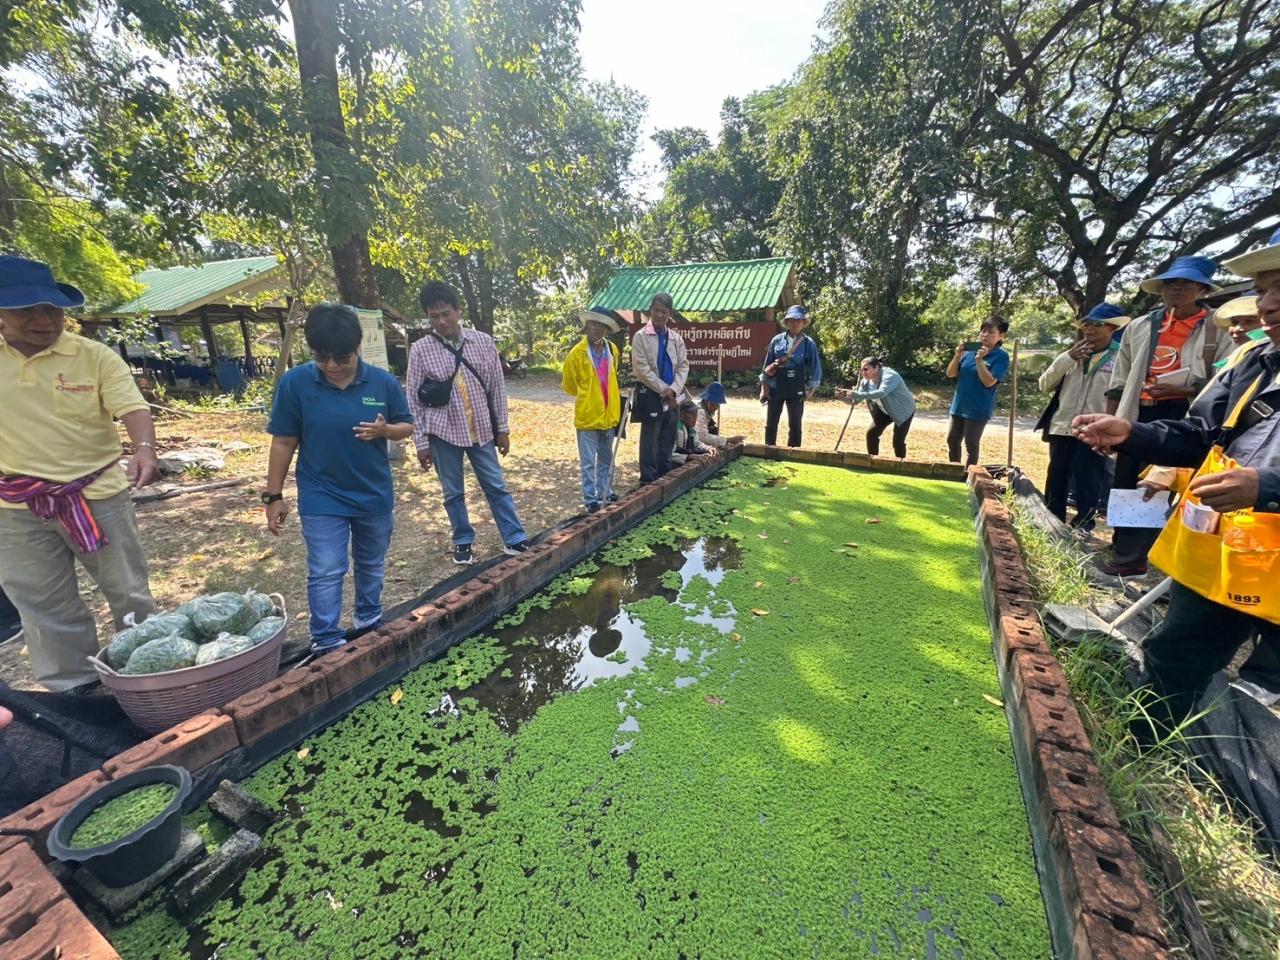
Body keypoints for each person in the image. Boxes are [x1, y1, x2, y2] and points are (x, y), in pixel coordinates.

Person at [1071, 227, 1280, 737]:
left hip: (1258, 520)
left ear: (1202, 292)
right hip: (1221, 530)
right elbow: (1203, 429)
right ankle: (1125, 557)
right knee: (1174, 651)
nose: (1268, 304)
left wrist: (1268, 487)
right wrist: (1130, 429)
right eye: (1262, 290)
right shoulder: (1250, 359)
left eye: (1184, 287)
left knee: (1263, 687)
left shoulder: (1215, 334)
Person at [0, 256, 160, 691]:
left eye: (51, 309)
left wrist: (144, 449)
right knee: (44, 605)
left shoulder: (92, 357)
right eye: (25, 309)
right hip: (15, 505)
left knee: (128, 592)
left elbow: (132, 407)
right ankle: (76, 692)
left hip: (97, 495)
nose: (42, 319)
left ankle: (150, 674)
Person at [264, 303, 413, 654]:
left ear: (357, 348)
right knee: (328, 568)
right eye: (322, 357)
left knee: (371, 561)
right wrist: (273, 495)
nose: (332, 366)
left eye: (341, 357)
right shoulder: (295, 384)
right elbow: (284, 441)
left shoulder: (382, 382)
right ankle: (326, 638)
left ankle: (368, 619)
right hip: (322, 494)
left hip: (373, 493)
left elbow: (406, 425)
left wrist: (385, 431)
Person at [1098, 255, 1234, 576]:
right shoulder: (1142, 325)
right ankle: (1124, 547)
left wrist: (1187, 389)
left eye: (1185, 283)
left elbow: (1226, 377)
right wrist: (1109, 419)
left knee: (1161, 483)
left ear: (1201, 289)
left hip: (1185, 414)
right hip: (1139, 409)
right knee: (1127, 479)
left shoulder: (1218, 328)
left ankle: (1136, 557)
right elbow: (1120, 377)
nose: (1176, 289)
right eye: (1171, 283)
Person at [408, 281, 530, 566]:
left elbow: (497, 388)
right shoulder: (421, 350)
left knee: (496, 485)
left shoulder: (483, 342)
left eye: (446, 313)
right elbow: (413, 399)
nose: (441, 321)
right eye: (434, 316)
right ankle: (463, 540)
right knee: (453, 492)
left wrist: (503, 429)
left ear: (458, 311)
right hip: (442, 431)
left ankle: (514, 537)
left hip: (482, 430)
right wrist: (421, 443)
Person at [1036, 303, 1130, 532]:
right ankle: (1052, 521)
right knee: (1057, 474)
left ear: (1111, 327)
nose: (1090, 329)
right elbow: (1044, 384)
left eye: (1097, 325)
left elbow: (1125, 393)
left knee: (1089, 477)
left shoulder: (1121, 356)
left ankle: (1084, 525)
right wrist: (1068, 357)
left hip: (1095, 429)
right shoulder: (1071, 354)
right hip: (1063, 424)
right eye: (1086, 324)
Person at [562, 308, 623, 513]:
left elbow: (614, 377)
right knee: (588, 462)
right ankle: (590, 499)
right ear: (586, 326)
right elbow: (570, 386)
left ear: (606, 329)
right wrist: (589, 397)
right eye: (593, 324)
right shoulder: (576, 355)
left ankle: (606, 491)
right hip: (588, 417)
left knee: (607, 459)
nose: (596, 328)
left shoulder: (613, 350)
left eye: (601, 325)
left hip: (609, 415)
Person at [630, 292, 689, 482]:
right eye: (656, 310)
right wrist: (663, 388)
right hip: (651, 394)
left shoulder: (676, 339)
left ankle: (665, 479)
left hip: (672, 397)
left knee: (668, 437)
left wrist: (673, 389)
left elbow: (683, 366)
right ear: (650, 310)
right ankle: (648, 481)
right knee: (650, 441)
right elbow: (641, 369)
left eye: (664, 312)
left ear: (669, 313)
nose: (659, 315)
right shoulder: (640, 337)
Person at [945, 317, 1011, 468]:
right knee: (952, 440)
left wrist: (980, 361)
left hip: (978, 408)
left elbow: (989, 382)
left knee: (971, 444)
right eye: (983, 331)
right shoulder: (970, 351)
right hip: (959, 405)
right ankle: (954, 470)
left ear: (1001, 336)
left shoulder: (1001, 357)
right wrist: (957, 356)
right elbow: (950, 374)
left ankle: (968, 477)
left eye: (991, 332)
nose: (985, 335)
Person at [759, 305, 822, 447]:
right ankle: (769, 450)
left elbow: (815, 367)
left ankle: (794, 451)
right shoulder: (776, 340)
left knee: (795, 423)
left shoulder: (808, 343)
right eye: (792, 320)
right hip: (776, 385)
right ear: (786, 322)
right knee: (771, 421)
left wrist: (811, 389)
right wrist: (764, 388)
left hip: (797, 387)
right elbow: (766, 366)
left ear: (803, 323)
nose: (795, 323)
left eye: (798, 321)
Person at [850, 357, 916, 459]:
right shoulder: (865, 382)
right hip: (884, 411)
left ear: (876, 367)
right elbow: (856, 400)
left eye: (866, 369)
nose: (863, 372)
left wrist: (858, 394)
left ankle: (901, 465)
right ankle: (872, 461)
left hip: (903, 410)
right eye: (861, 369)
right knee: (871, 435)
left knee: (898, 441)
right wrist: (845, 396)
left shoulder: (890, 375)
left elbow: (882, 393)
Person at [693, 382, 744, 450]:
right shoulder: (700, 412)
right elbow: (703, 437)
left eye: (718, 405)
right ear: (707, 401)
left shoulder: (707, 412)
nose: (717, 407)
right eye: (715, 404)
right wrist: (728, 440)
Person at [672, 401, 711, 465]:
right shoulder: (675, 428)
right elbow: (669, 454)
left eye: (696, 414)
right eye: (692, 414)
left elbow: (697, 443)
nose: (695, 417)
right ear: (682, 415)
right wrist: (688, 456)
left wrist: (708, 448)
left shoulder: (692, 428)